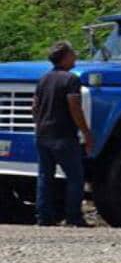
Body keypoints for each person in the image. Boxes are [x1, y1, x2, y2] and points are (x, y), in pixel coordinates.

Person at [32, 41, 92, 227]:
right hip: (63, 135)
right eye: (73, 53)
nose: (75, 56)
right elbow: (75, 107)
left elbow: (34, 106)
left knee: (45, 176)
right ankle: (74, 217)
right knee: (75, 177)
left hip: (43, 134)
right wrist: (86, 133)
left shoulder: (44, 79)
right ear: (65, 57)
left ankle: (44, 217)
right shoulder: (71, 79)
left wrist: (39, 123)